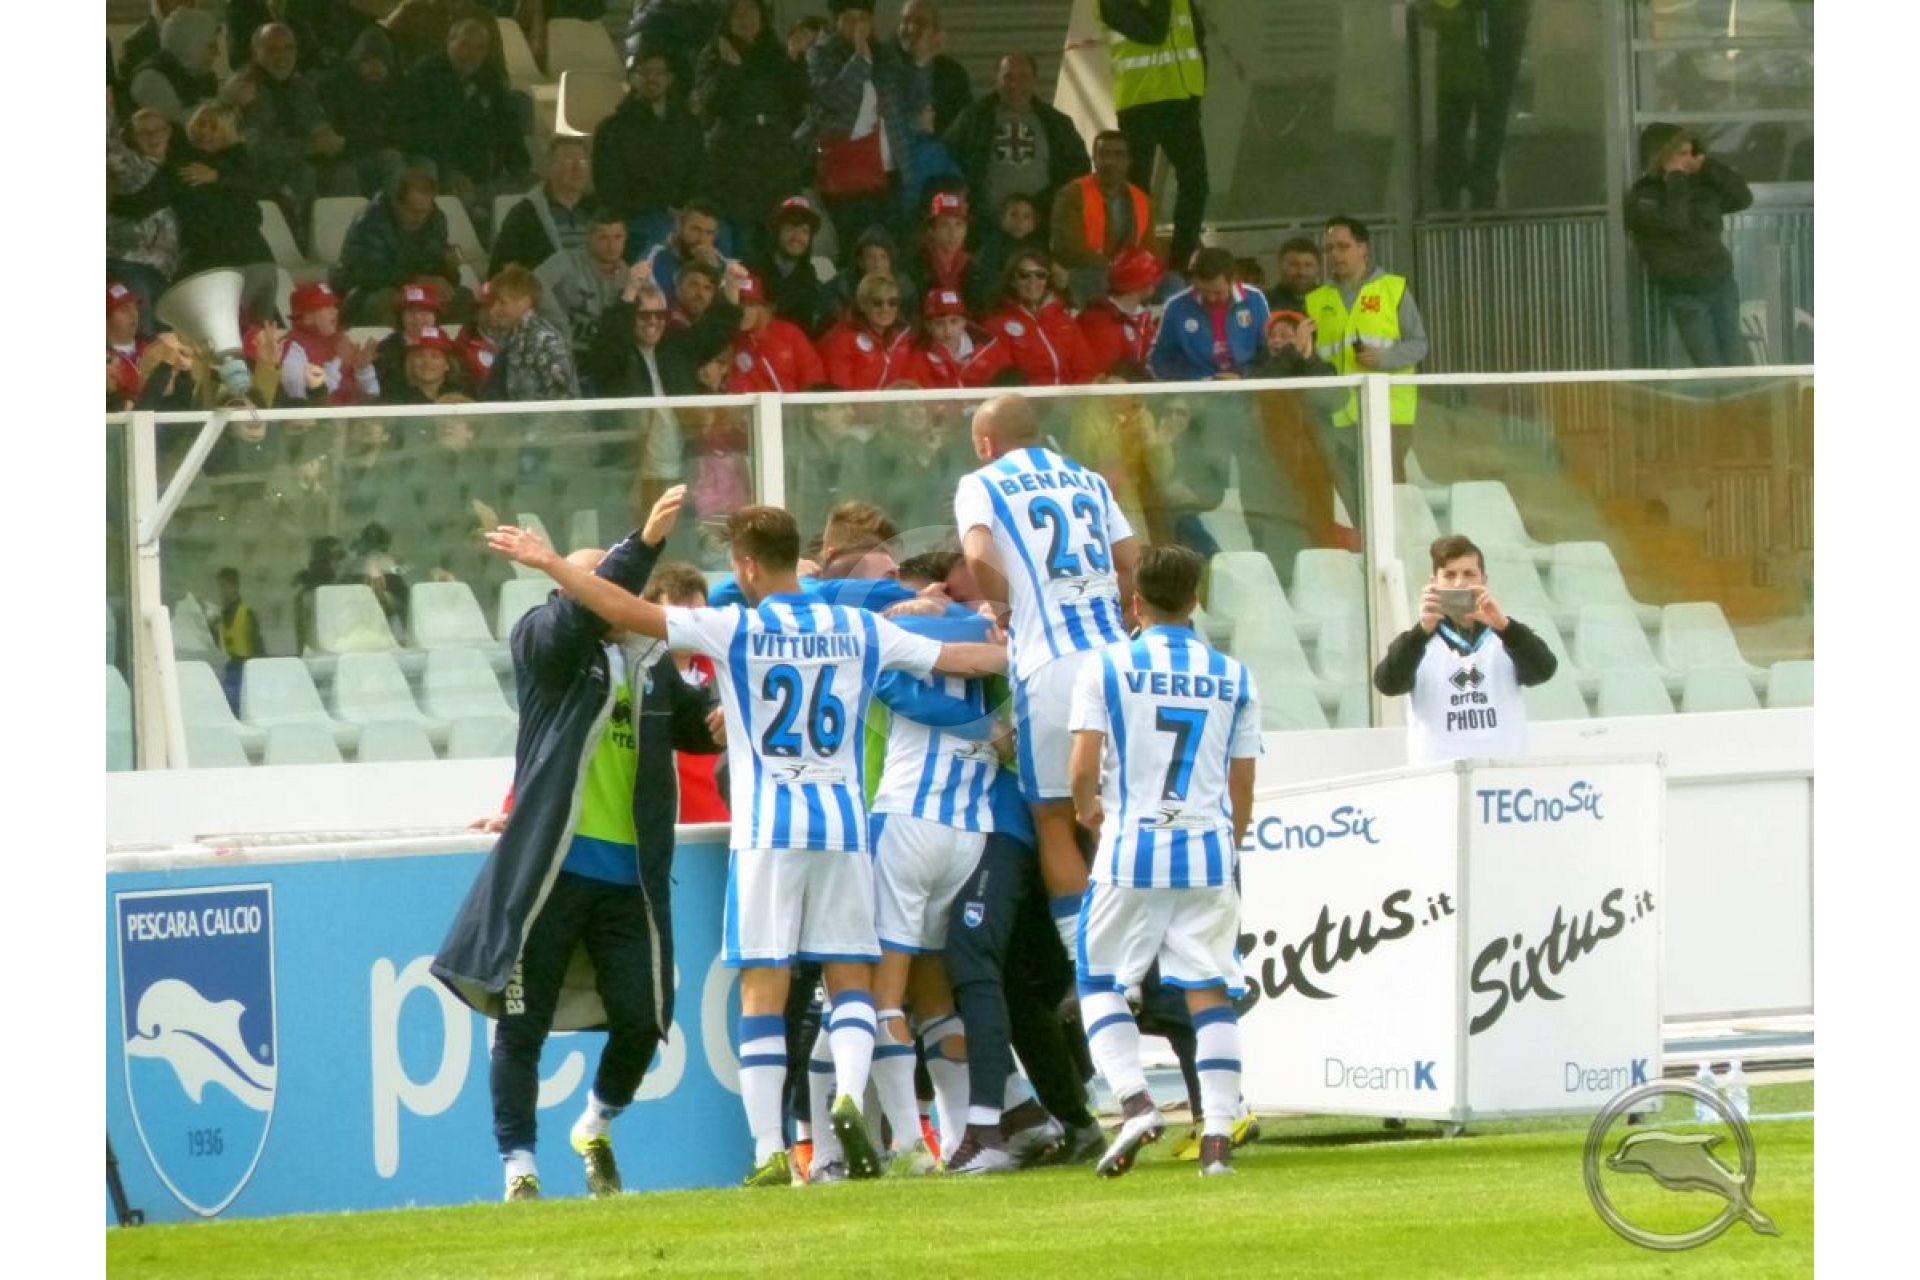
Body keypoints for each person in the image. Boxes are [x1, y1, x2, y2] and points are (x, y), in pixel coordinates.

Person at [485, 504, 1007, 1188]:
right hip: (843, 825)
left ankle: (768, 1150)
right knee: (851, 977)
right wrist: (1019, 651)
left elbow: (624, 608)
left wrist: (550, 562)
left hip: (770, 831)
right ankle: (851, 1095)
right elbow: (956, 658)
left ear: (748, 567)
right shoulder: (858, 627)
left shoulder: (738, 628)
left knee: (765, 988)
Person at [435, 487, 723, 1203]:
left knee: (644, 1021)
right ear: (571, 589)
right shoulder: (544, 641)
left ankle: (594, 1124)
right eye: (598, 584)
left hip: (629, 879)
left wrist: (722, 720)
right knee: (521, 1027)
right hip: (551, 872)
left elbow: (693, 727)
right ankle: (519, 1169)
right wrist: (642, 545)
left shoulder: (650, 661)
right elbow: (583, 612)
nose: (615, 597)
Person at [1067, 542, 1259, 1178]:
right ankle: (1218, 1136)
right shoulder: (1234, 676)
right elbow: (1242, 783)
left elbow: (1083, 766)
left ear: (1135, 603)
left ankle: (1135, 1103)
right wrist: (1229, 842)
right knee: (1210, 992)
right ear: (1195, 600)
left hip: (1131, 851)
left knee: (1098, 979)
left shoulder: (1106, 667)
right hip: (1207, 852)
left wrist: (1087, 810)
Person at [956, 392, 1139, 957]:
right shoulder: (1090, 480)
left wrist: (1007, 611)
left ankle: (1091, 962)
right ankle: (1136, 953)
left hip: (1049, 662)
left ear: (986, 443)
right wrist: (1120, 613)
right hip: (1115, 658)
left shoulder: (981, 483)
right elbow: (1130, 559)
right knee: (1114, 809)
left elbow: (978, 554)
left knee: (1054, 816)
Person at [1373, 534, 1557, 764]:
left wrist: (1504, 625)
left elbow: (1544, 670)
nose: (1459, 583)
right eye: (1450, 575)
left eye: (1469, 574)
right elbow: (1387, 684)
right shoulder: (1417, 642)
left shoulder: (1508, 637)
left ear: (1484, 580)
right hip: (1439, 777)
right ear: (1434, 583)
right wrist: (1421, 631)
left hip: (1502, 777)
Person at [1306, 215, 1429, 486]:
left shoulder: (1393, 289)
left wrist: (1385, 358)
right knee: (1350, 490)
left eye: (1343, 246)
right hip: (1338, 413)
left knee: (1388, 488)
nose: (1335, 254)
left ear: (1363, 249)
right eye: (1329, 248)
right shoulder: (1316, 299)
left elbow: (1419, 344)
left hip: (1387, 408)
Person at [805, 0, 934, 248]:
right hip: (847, 177)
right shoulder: (821, 54)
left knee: (893, 250)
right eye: (849, 18)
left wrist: (920, 62)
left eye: (863, 18)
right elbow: (835, 98)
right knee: (855, 250)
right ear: (836, 21)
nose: (857, 25)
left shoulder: (886, 55)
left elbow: (914, 102)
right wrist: (861, 58)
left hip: (890, 175)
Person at [1627, 124, 1753, 369]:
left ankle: (1738, 394)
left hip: (1719, 282)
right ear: (1662, 156)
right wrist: (1675, 179)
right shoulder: (1645, 194)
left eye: (1691, 153)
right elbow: (1676, 223)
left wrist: (1708, 166)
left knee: (1735, 360)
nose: (1688, 159)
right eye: (1681, 154)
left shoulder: (1702, 184)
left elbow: (1742, 198)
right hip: (1684, 291)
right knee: (1709, 364)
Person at [1099, 0, 1211, 273]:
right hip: (1140, 102)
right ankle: (1136, 261)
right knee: (1137, 189)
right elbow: (1153, 31)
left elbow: (1197, 36)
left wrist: (1198, 86)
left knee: (1196, 183)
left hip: (1181, 100)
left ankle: (1181, 262)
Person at [692, 0, 808, 263]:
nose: (746, 19)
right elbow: (711, 102)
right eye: (738, 13)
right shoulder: (714, 53)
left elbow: (799, 98)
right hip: (735, 160)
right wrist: (730, 68)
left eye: (752, 11)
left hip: (776, 158)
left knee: (780, 238)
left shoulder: (777, 51)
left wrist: (795, 60)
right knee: (745, 243)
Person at [943, 54, 1090, 244]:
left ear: (1035, 80)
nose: (1014, 84)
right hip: (983, 229)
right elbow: (946, 160)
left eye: (1023, 77)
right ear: (996, 78)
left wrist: (1051, 208)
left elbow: (1078, 169)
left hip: (1042, 229)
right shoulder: (973, 119)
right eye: (1008, 77)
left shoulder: (1057, 124)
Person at [398, 18, 531, 208]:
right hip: (446, 170)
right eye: (465, 45)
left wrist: (521, 167)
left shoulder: (489, 77)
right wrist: (450, 170)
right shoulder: (425, 75)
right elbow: (420, 133)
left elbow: (507, 124)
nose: (472, 54)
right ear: (449, 42)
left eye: (480, 48)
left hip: (486, 172)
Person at [228, 23, 357, 210]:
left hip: (302, 164)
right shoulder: (245, 89)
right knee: (304, 174)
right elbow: (255, 149)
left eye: (289, 48)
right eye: (272, 50)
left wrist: (329, 139)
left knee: (346, 172)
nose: (282, 56)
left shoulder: (299, 86)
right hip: (260, 173)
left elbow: (317, 124)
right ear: (255, 53)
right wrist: (309, 146)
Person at [593, 51, 706, 253]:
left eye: (659, 72)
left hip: (683, 213)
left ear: (670, 78)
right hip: (636, 215)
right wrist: (655, 205)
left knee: (719, 233)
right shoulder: (612, 129)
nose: (652, 78)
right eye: (645, 72)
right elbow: (608, 184)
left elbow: (698, 172)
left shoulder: (688, 126)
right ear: (633, 78)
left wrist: (684, 208)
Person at [1429, 0, 1533, 212]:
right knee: (1488, 122)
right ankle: (1478, 190)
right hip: (1493, 30)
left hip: (1464, 32)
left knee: (1456, 118)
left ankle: (1454, 189)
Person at [333, 168, 465, 325]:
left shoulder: (436, 219)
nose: (420, 217)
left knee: (462, 297)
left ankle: (441, 340)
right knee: (384, 302)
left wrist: (449, 266)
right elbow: (368, 273)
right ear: (396, 204)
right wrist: (417, 280)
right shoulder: (370, 221)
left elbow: (434, 263)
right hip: (366, 291)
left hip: (416, 287)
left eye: (425, 211)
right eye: (413, 211)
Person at [1049, 130, 1153, 306]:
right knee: (1097, 279)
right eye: (1104, 154)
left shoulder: (1142, 199)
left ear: (1129, 161)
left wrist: (1141, 272)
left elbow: (1150, 249)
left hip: (1128, 275)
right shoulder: (1072, 194)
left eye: (1119, 155)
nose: (1110, 161)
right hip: (1085, 272)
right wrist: (1115, 269)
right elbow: (1069, 250)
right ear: (1094, 159)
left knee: (1173, 283)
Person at [1148, 246, 1270, 381]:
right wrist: (1195, 379)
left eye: (1218, 292)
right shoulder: (1176, 307)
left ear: (1232, 281)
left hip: (1246, 384)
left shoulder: (1254, 299)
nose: (1211, 298)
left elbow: (1268, 352)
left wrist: (1244, 376)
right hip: (1197, 388)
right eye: (1204, 291)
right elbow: (1160, 360)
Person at [318, 24, 408, 196]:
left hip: (377, 152)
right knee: (347, 174)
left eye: (381, 61)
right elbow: (335, 135)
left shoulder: (395, 90)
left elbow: (400, 131)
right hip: (345, 156)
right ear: (356, 62)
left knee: (393, 159)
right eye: (368, 61)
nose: (375, 67)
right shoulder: (334, 87)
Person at [984, 249, 1093, 387]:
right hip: (1027, 398)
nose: (1033, 281)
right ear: (1013, 281)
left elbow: (1086, 370)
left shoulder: (1065, 321)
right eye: (1024, 275)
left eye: (1040, 275)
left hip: (1069, 397)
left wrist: (1073, 396)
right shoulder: (998, 324)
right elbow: (1005, 379)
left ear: (1047, 280)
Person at [536, 205, 632, 359]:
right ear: (589, 237)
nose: (611, 245)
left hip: (604, 356)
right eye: (603, 238)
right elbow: (533, 284)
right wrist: (558, 321)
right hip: (561, 351)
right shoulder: (566, 260)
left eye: (617, 237)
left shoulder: (628, 275)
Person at [490, 137, 596, 276]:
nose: (577, 168)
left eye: (583, 161)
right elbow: (500, 270)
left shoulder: (598, 211)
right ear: (550, 168)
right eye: (569, 161)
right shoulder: (524, 215)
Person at [585, 279, 703, 401]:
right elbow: (610, 342)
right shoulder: (616, 356)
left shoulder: (676, 351)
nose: (653, 321)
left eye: (660, 315)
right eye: (644, 315)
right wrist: (629, 295)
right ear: (629, 317)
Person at [484, 265, 581, 401]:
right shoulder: (508, 336)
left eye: (502, 302)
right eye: (493, 302)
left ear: (525, 302)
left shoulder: (546, 341)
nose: (493, 309)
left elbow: (565, 399)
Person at [280, 282, 380, 405]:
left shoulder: (341, 340)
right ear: (307, 317)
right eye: (327, 307)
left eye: (334, 306)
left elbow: (373, 397)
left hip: (355, 415)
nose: (335, 312)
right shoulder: (293, 348)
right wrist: (338, 361)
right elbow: (302, 399)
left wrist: (363, 370)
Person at [747, 196, 832, 336]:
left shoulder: (810, 277)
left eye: (804, 231)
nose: (797, 237)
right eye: (790, 228)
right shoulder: (753, 268)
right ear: (777, 232)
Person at [729, 275, 827, 393]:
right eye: (739, 305)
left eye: (751, 305)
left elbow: (813, 379)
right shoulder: (732, 340)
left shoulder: (790, 335)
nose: (743, 312)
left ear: (768, 307)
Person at [817, 274, 913, 391]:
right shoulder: (842, 340)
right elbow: (841, 391)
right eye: (877, 303)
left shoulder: (902, 340)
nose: (886, 309)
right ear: (863, 304)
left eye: (892, 302)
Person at [128, 7, 221, 125]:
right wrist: (228, 100)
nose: (218, 53)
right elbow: (186, 123)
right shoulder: (149, 80)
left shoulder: (197, 75)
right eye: (211, 46)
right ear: (191, 45)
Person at [902, 287, 1009, 390]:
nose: (948, 330)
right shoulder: (917, 358)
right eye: (939, 323)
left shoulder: (990, 350)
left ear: (964, 321)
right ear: (928, 326)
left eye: (954, 321)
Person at [1078, 248, 1162, 378]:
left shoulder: (1143, 318)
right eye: (1152, 279)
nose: (1155, 284)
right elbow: (1105, 377)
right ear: (1140, 283)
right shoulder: (1099, 323)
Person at [967, 192, 1047, 315]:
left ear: (1034, 222)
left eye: (1026, 216)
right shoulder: (992, 246)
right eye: (1013, 215)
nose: (1020, 221)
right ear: (1002, 218)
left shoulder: (1038, 248)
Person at [634, 201, 731, 302]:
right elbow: (660, 303)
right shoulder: (655, 258)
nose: (702, 239)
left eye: (709, 233)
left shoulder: (721, 265)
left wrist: (714, 274)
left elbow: (726, 306)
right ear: (680, 227)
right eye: (695, 229)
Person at [900, 1, 970, 135]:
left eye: (920, 23)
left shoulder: (953, 74)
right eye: (906, 21)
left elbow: (964, 125)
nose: (911, 28)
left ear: (935, 31)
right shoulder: (885, 67)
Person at [212, 566, 266, 707]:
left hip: (246, 670)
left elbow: (258, 649)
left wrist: (259, 676)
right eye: (219, 587)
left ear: (234, 587)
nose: (220, 592)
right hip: (231, 669)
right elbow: (220, 646)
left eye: (223, 586)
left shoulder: (246, 614)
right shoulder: (221, 617)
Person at [1268, 236, 1322, 315]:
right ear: (1280, 266)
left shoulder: (1331, 302)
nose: (1301, 272)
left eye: (1308, 265)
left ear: (1318, 268)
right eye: (1294, 265)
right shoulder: (1264, 304)